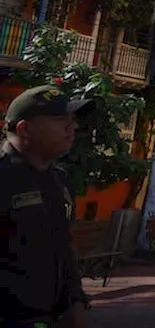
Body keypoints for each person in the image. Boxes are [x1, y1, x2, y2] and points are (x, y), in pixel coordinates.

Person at [0, 84, 94, 327]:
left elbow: (63, 247)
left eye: (73, 119)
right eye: (60, 119)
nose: (72, 127)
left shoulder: (59, 180)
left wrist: (76, 299)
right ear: (24, 128)